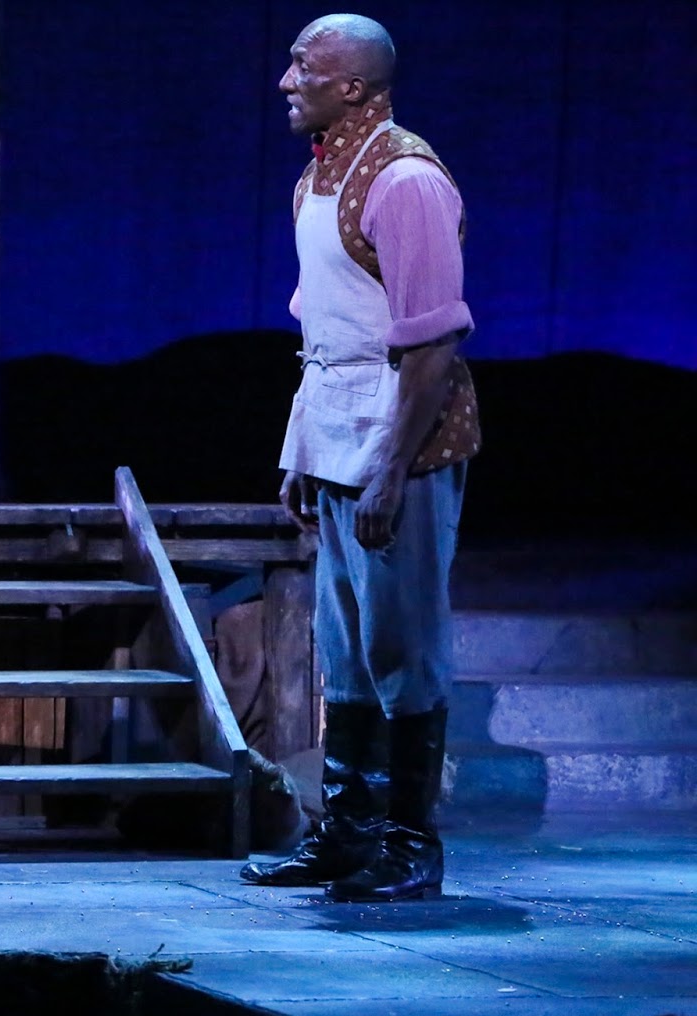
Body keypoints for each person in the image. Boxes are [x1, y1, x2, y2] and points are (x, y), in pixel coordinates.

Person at [240, 14, 479, 902]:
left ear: (352, 87)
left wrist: (389, 467)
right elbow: (328, 334)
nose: (286, 81)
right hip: (337, 430)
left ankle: (411, 844)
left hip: (398, 438)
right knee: (344, 647)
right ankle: (346, 834)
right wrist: (302, 448)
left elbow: (431, 345)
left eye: (304, 66)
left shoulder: (406, 180)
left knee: (402, 644)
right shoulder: (317, 177)